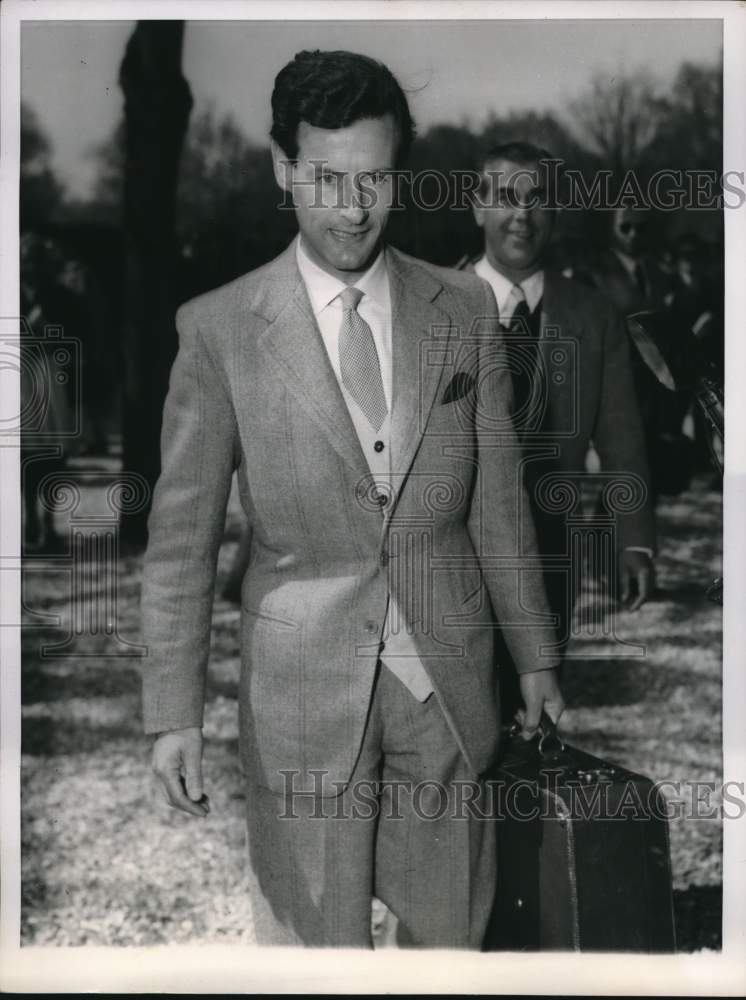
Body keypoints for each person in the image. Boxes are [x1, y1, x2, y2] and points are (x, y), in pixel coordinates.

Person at [141, 52, 563, 949]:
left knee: (452, 946)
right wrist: (174, 715)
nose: (352, 206)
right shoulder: (219, 331)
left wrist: (535, 657)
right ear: (281, 168)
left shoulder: (462, 309)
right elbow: (181, 543)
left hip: (446, 688)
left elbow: (499, 504)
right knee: (312, 957)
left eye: (374, 178)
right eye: (327, 178)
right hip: (300, 703)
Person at [464, 142, 656, 660]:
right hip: (451, 552)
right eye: (507, 196)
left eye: (538, 199)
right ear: (477, 205)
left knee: (536, 719)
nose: (522, 215)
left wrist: (633, 538)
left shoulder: (593, 314)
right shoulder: (427, 305)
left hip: (551, 550)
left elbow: (622, 436)